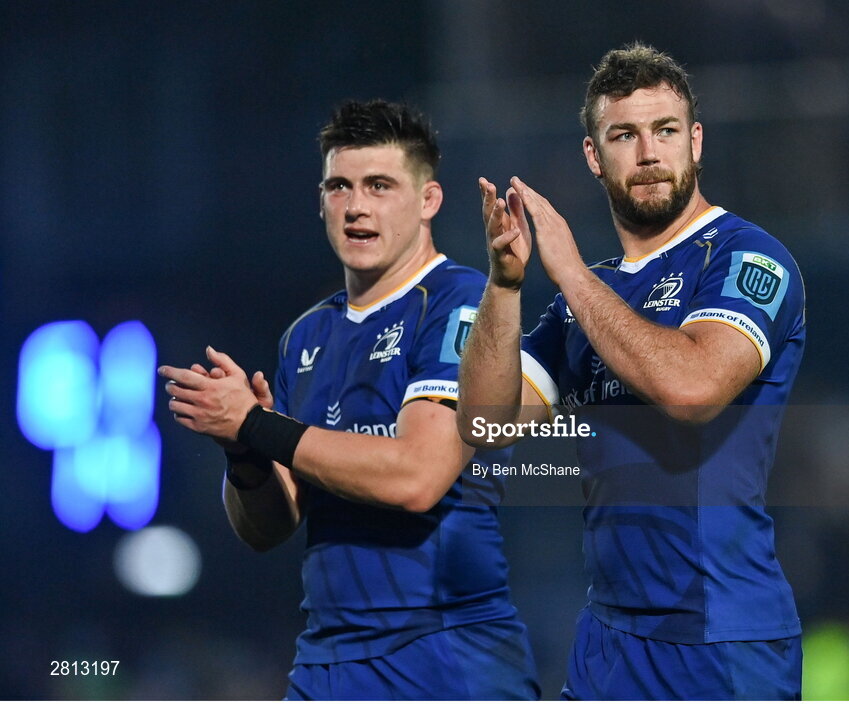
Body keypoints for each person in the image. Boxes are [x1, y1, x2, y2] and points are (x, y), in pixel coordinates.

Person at [158, 99, 540, 700]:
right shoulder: (305, 335)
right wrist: (244, 450)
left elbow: (418, 476)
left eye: (379, 186)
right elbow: (267, 527)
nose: (356, 206)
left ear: (428, 201)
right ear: (321, 200)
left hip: (446, 659)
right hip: (327, 660)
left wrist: (259, 424)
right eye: (340, 186)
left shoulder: (460, 301)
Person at [456, 43, 806, 699]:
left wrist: (570, 273)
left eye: (665, 131)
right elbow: (484, 423)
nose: (647, 153)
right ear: (595, 155)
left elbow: (693, 388)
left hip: (721, 641)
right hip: (609, 643)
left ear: (695, 142)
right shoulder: (583, 301)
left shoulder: (746, 256)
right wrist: (504, 285)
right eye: (624, 135)